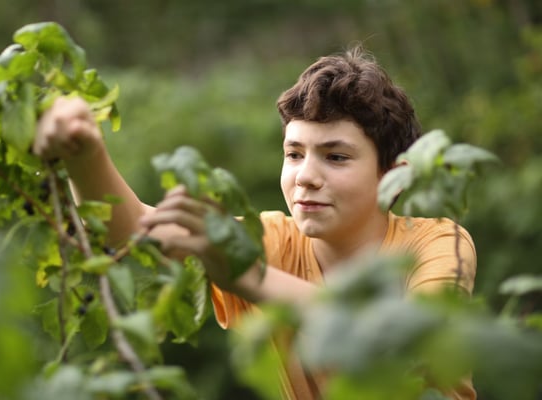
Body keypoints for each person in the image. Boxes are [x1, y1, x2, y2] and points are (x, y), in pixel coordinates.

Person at [34, 45, 477, 400]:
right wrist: (85, 154)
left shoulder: (438, 243)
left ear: (394, 174)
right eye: (294, 154)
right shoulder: (274, 242)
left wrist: (250, 276)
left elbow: (409, 338)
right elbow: (136, 231)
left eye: (336, 157)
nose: (305, 175)